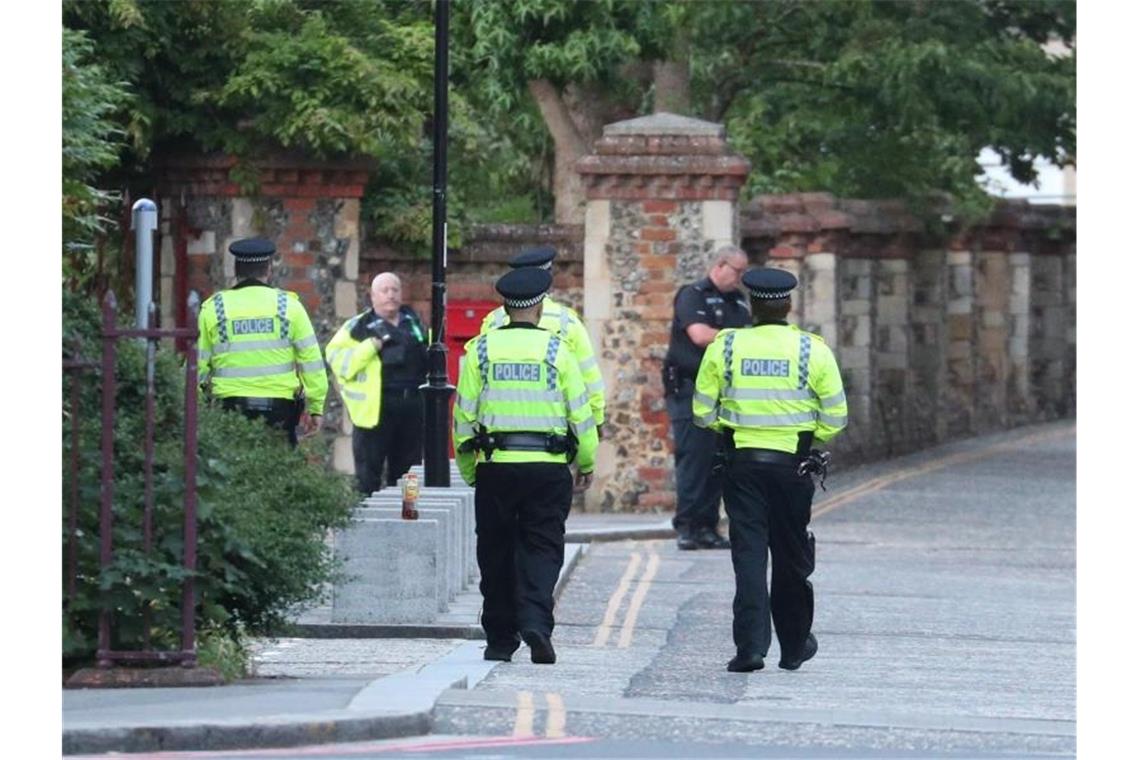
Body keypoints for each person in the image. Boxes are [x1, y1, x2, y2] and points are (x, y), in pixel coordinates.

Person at [693, 267, 848, 673]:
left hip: (741, 464)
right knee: (791, 555)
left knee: (748, 556)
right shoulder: (812, 350)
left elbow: (702, 412)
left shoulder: (725, 347)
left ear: (751, 305)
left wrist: (731, 429)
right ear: (789, 305)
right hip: (793, 466)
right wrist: (810, 440)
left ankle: (750, 648)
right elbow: (836, 416)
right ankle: (794, 646)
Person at [455, 267, 599, 665]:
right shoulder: (558, 351)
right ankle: (536, 621)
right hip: (548, 467)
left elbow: (463, 417)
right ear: (538, 306)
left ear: (504, 307)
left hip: (496, 465)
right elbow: (581, 415)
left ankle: (500, 638)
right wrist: (586, 461)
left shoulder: (479, 351)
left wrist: (470, 468)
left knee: (495, 551)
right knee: (543, 546)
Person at [197, 237, 327, 446]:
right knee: (278, 473)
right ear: (268, 270)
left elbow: (197, 366)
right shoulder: (289, 307)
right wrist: (315, 407)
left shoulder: (214, 308)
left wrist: (195, 409)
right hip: (280, 411)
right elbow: (312, 362)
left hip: (229, 409)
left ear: (236, 270)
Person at [662, 245, 752, 550]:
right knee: (694, 458)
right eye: (737, 271)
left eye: (743, 272)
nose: (740, 278)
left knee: (717, 461)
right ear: (719, 266)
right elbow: (699, 335)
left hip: (724, 393)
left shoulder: (737, 300)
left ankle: (708, 527)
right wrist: (740, 337)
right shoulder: (693, 295)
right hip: (690, 389)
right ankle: (687, 526)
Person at [480, 246, 605, 436]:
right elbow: (590, 381)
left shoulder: (493, 321)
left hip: (497, 442)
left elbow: (479, 382)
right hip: (554, 440)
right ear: (548, 280)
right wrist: (596, 424)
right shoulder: (568, 322)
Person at [326, 273, 428, 495]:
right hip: (374, 412)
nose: (390, 295)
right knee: (367, 474)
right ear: (372, 296)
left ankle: (409, 515)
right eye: (384, 290)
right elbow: (338, 362)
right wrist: (370, 347)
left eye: (395, 290)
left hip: (411, 408)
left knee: (410, 473)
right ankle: (366, 520)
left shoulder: (415, 322)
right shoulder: (358, 326)